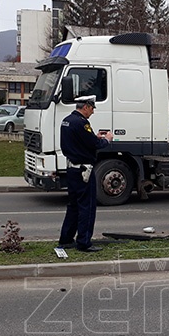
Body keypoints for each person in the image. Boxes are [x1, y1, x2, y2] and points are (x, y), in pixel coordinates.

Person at [58, 95, 113, 252]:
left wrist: (92, 138)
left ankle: (66, 239)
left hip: (72, 169)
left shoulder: (67, 121)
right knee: (87, 207)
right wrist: (107, 139)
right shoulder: (82, 123)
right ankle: (84, 242)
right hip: (84, 171)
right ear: (86, 106)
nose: (93, 112)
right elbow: (95, 144)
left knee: (73, 206)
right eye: (92, 108)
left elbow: (79, 142)